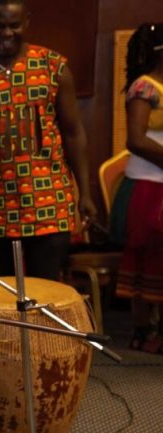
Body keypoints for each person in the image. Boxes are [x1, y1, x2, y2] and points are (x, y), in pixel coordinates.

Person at [0, 0, 97, 281]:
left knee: (46, 290)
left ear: (26, 22)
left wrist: (85, 193)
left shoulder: (53, 67)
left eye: (14, 25)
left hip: (48, 204)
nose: (6, 33)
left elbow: (73, 132)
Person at [114, 23, 163, 353]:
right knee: (147, 257)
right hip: (148, 187)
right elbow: (136, 139)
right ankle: (143, 331)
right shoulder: (145, 87)